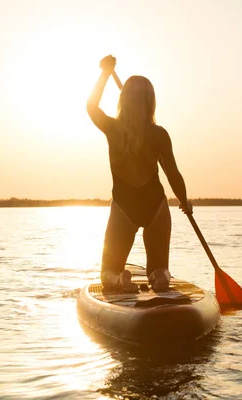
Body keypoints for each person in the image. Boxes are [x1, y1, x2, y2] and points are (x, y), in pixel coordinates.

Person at [87, 55, 192, 292]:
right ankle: (161, 276)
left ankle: (117, 279)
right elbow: (173, 173)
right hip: (156, 205)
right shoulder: (159, 134)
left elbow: (91, 107)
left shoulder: (113, 128)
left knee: (108, 272)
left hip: (125, 206)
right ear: (150, 102)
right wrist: (184, 201)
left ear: (123, 100)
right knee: (158, 266)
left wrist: (105, 73)